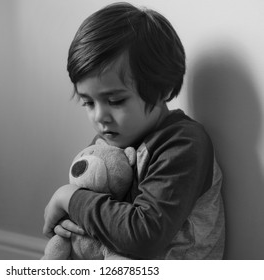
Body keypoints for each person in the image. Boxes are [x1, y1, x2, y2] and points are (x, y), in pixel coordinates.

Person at [43, 2, 225, 259]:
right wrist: (74, 224)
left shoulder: (183, 144)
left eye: (115, 101)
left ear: (161, 89)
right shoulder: (107, 142)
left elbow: (143, 236)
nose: (99, 116)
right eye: (88, 102)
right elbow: (99, 212)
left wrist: (70, 198)